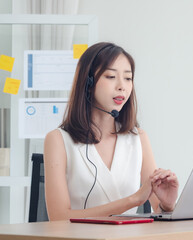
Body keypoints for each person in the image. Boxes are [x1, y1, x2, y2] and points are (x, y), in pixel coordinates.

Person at [44, 42, 178, 221]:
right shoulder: (58, 140)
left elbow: (157, 207)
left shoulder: (138, 138)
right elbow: (59, 218)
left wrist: (167, 205)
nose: (122, 86)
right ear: (88, 83)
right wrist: (133, 200)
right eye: (111, 76)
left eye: (128, 78)